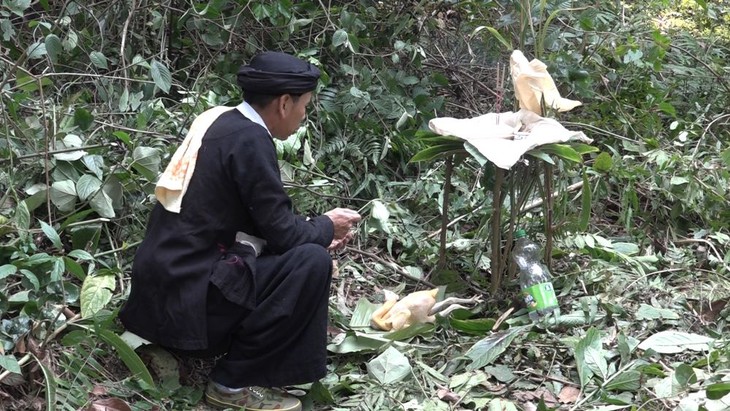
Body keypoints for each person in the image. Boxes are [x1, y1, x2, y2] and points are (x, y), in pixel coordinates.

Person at [119, 51, 361, 411]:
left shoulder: (219, 121)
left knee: (303, 252)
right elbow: (284, 235)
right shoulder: (250, 140)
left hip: (163, 293)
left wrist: (316, 230)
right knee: (311, 262)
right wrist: (326, 227)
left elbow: (263, 221)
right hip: (187, 305)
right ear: (283, 103)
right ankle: (231, 384)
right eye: (304, 106)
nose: (303, 115)